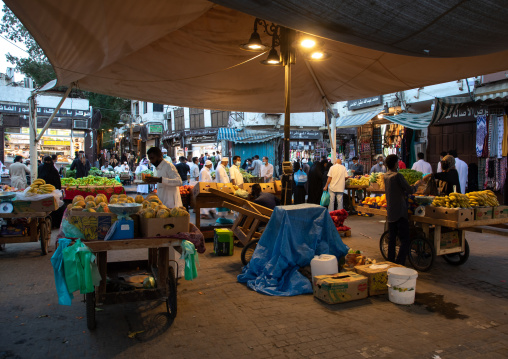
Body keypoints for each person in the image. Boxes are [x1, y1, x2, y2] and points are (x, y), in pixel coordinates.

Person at [383, 154, 422, 265]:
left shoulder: (385, 176)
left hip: (391, 211)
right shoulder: (397, 176)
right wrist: (417, 184)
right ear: (396, 164)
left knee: (392, 239)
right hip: (400, 212)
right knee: (405, 239)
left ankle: (391, 261)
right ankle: (400, 261)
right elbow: (410, 190)